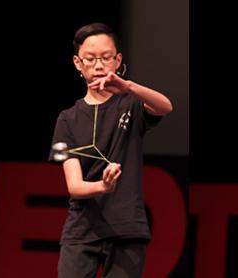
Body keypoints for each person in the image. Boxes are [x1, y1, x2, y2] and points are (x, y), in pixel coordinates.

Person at [49, 22, 173, 277]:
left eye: (106, 58)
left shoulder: (131, 104)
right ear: (77, 62)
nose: (98, 65)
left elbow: (165, 107)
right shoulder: (66, 119)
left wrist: (128, 86)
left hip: (127, 230)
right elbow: (73, 186)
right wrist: (102, 187)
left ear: (117, 60)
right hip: (81, 232)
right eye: (90, 58)